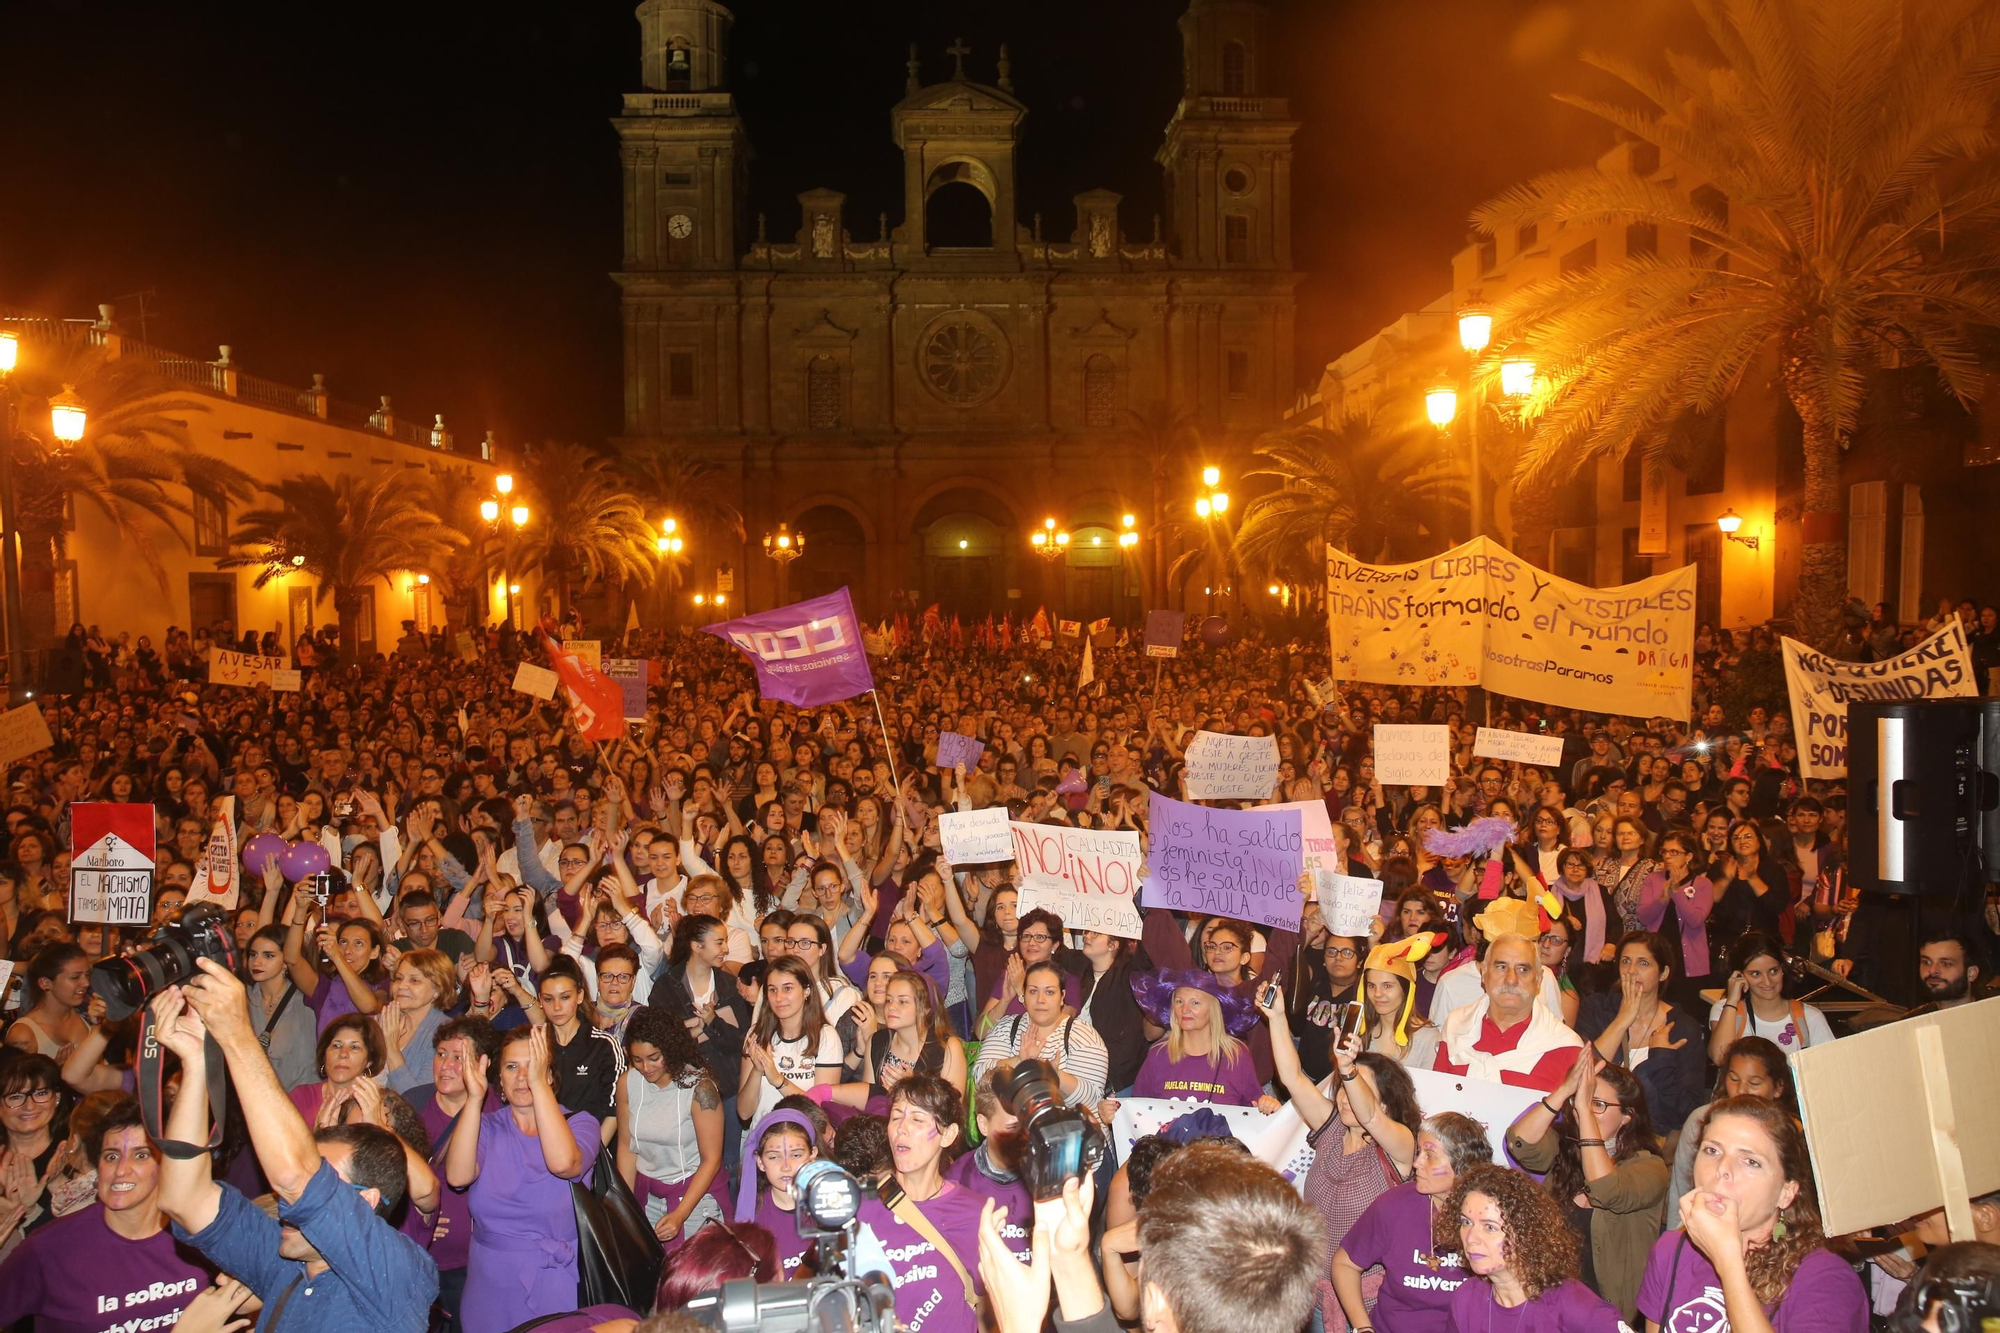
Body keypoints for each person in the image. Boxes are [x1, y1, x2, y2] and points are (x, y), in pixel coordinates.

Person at [150, 959, 438, 1332]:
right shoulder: (287, 1258)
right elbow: (183, 1199)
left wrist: (238, 1035)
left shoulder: (397, 1271)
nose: (288, 1204)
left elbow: (294, 1177)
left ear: (365, 1199)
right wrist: (196, 1065)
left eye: (322, 1179)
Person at [1257, 981, 1420, 1331]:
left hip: (1369, 1303)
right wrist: (1277, 1017)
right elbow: (1292, 1077)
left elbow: (1372, 1118)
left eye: (1356, 1088)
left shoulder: (1399, 1148)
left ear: (1387, 1102)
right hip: (1313, 1294)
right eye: (1342, 1087)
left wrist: (1348, 1069)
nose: (1344, 1096)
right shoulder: (1332, 1132)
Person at [1638, 1095, 1868, 1331]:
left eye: (1750, 1161)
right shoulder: (1670, 1250)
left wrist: (1728, 1263)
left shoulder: (1826, 1280)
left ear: (1786, 1193)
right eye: (1712, 1150)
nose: (1722, 1169)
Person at [0, 1096, 227, 1333]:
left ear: (168, 1165)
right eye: (111, 1156)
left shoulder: (199, 1237)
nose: (120, 1170)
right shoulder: (47, 1249)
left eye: (141, 1155)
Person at [446, 1024, 600, 1333]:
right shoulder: (485, 1126)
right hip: (489, 1286)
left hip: (555, 1280)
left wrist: (538, 1086)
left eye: (532, 1066)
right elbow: (457, 1177)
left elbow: (564, 1165)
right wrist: (474, 1101)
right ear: (499, 1077)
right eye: (511, 1066)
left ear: (550, 1074)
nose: (521, 1077)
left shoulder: (581, 1124)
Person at [1506, 1047, 1667, 1322]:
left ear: (1627, 1116)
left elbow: (1606, 1188)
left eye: (1598, 1104)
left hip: (1610, 1313)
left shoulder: (1650, 1167)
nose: (1585, 1111)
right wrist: (1564, 1090)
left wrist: (1583, 1108)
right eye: (1582, 1101)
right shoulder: (1565, 1147)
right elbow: (1520, 1144)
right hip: (1552, 1305)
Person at [1334, 1111, 1494, 1333]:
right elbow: (1344, 1264)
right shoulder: (1394, 1205)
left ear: (1462, 1167)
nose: (1417, 1163)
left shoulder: (1492, 1217)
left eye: (1429, 1155)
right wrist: (1363, 1329)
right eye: (1419, 1153)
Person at [852, 1074, 986, 1333]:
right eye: (895, 1117)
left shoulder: (975, 1214)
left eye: (917, 1119)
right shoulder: (859, 1208)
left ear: (947, 1135)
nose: (902, 1128)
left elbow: (994, 1308)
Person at [1437, 1162, 1628, 1329]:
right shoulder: (1467, 1298)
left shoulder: (1572, 1305)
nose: (1471, 1238)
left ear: (1525, 1233)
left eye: (1489, 1227)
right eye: (1466, 1222)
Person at [614, 1007, 724, 1251]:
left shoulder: (700, 1087)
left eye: (654, 1057)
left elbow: (712, 1159)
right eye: (637, 1059)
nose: (646, 1067)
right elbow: (626, 1146)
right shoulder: (628, 1083)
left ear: (670, 1049)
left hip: (694, 1195)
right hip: (648, 1195)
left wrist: (680, 1214)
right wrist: (626, 1206)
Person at [1575, 931, 1705, 1135]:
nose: (1631, 970)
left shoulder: (1683, 1028)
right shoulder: (1596, 1008)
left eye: (1643, 963)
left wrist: (1661, 1059)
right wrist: (1622, 1020)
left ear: (1663, 973)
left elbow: (1688, 1111)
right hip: (1592, 1130)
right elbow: (1581, 1075)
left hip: (1650, 1142)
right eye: (1625, 961)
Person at [1431, 929, 1583, 1092]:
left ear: (1538, 980)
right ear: (1484, 974)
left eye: (1523, 969)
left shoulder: (1567, 1047)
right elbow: (1437, 1097)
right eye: (1501, 967)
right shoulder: (1456, 1027)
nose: (1511, 979)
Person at [1666, 1037, 1792, 1228]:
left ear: (1778, 1088)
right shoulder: (1701, 1120)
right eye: (1733, 1079)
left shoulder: (1790, 1131)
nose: (1741, 1089)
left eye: (1755, 1083)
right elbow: (1681, 1189)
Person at [1125, 970, 1275, 1110]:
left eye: (1195, 1002)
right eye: (1179, 1002)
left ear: (1213, 1009)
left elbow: (1255, 1107)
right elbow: (1138, 1110)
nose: (1184, 1010)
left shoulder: (1236, 1055)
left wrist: (1267, 1104)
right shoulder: (1158, 1054)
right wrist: (1115, 1111)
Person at [972, 960, 1106, 1108]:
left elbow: (1093, 1101)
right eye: (1033, 991)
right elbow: (979, 1078)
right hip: (1014, 1126)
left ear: (1062, 997)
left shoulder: (1083, 1036)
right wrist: (1018, 1061)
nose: (1040, 1000)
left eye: (1049, 992)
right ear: (1024, 995)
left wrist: (1057, 1077)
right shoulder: (1007, 1027)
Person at [738, 955, 842, 1125]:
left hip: (805, 1141)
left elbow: (821, 1112)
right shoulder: (757, 1034)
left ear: (806, 991)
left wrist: (778, 1080)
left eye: (787, 989)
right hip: (764, 1140)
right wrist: (757, 1071)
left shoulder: (826, 1037)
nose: (778, 998)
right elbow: (743, 1112)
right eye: (772, 990)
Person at [1707, 931, 1834, 1062]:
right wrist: (1732, 1000)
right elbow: (1720, 1057)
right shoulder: (1725, 1009)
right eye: (1756, 974)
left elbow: (1829, 1070)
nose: (1767, 982)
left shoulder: (1810, 1017)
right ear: (1739, 975)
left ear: (1783, 969)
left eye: (1773, 971)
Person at [729, 1110, 821, 1277]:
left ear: (813, 1154)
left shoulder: (833, 1206)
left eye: (796, 1155)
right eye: (774, 1157)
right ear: (760, 1162)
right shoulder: (752, 1217)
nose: (786, 1166)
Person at [1637, 829, 1716, 1008]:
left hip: (1688, 961)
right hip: (1658, 954)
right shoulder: (1653, 879)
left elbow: (1696, 920)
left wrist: (1676, 892)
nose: (1667, 856)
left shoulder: (1703, 884)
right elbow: (1643, 917)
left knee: (1686, 1012)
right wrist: (1663, 898)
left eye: (1674, 852)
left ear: (1688, 856)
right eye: (1664, 851)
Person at [243, 925, 318, 1091]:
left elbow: (309, 1065)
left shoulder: (306, 1000)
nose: (257, 962)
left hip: (302, 1102)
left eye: (269, 956)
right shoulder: (241, 999)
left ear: (286, 962)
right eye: (253, 954)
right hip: (252, 1100)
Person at [377, 948, 458, 1095]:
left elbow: (419, 1101)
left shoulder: (447, 1035)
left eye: (414, 980)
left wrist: (391, 1049)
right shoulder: (379, 1020)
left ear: (437, 990)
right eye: (398, 978)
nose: (401, 986)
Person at [1359, 933, 1444, 1067]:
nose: (1377, 994)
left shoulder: (1427, 1038)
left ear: (1406, 990)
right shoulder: (1358, 1033)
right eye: (1371, 985)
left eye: (1387, 986)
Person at [5, 942, 90, 1058]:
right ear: (45, 983)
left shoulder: (88, 1016)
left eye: (87, 975)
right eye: (75, 977)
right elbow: (15, 1075)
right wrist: (55, 1069)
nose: (86, 983)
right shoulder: (23, 1034)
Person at [1907, 931, 1987, 1016]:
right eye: (1926, 962)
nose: (1932, 970)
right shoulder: (1912, 1023)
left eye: (1945, 964)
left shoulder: (1993, 1013)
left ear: (1971, 973)